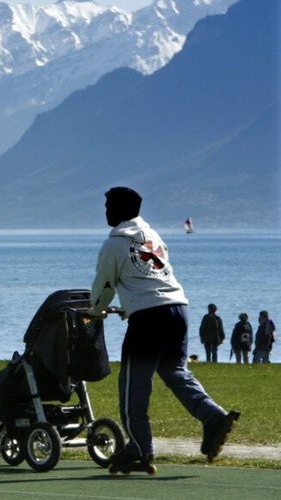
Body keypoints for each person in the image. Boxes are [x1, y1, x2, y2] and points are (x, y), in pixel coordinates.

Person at [91, 186, 239, 472]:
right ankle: (213, 417)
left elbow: (104, 285)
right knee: (175, 371)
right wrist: (130, 305)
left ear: (121, 210)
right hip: (177, 308)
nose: (106, 211)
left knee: (134, 384)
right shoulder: (153, 237)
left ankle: (140, 449)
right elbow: (149, 278)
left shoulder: (114, 244)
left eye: (109, 206)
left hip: (148, 320)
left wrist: (94, 311)